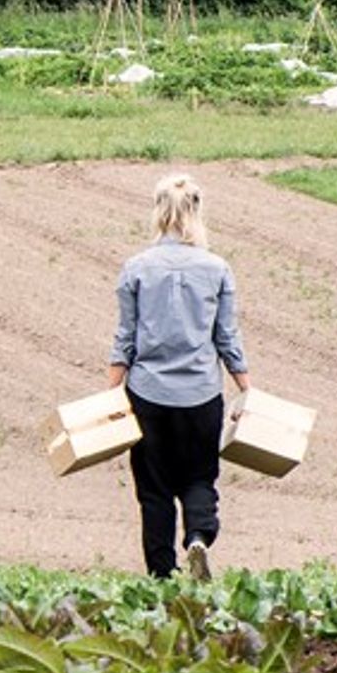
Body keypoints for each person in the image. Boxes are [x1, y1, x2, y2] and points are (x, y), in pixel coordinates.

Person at [108, 173, 251, 582]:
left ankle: (162, 573)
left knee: (154, 489)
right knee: (199, 476)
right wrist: (246, 390)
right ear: (197, 212)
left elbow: (125, 338)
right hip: (201, 395)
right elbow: (227, 338)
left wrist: (109, 395)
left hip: (148, 396)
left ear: (158, 211)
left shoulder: (136, 268)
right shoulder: (217, 268)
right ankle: (198, 538)